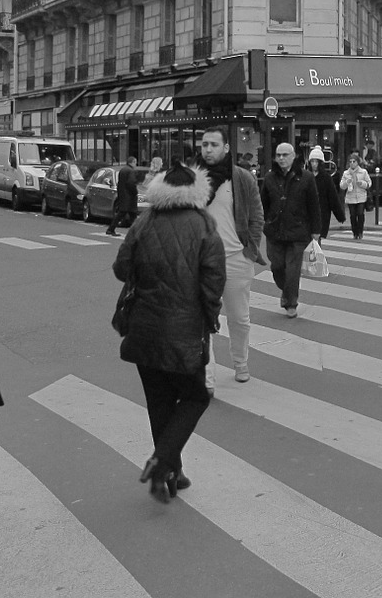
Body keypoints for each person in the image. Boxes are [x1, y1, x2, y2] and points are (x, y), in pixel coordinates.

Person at [115, 159, 224, 502]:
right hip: (184, 329)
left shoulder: (145, 221)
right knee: (194, 397)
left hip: (144, 326)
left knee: (159, 401)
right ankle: (163, 463)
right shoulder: (204, 224)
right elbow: (213, 283)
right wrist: (211, 319)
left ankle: (171, 472)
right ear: (197, 192)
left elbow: (121, 268)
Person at [197, 127, 266, 388]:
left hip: (237, 258)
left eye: (214, 144)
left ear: (226, 148)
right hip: (203, 262)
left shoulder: (241, 178)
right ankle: (207, 378)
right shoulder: (194, 178)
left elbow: (257, 215)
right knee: (202, 320)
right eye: (204, 144)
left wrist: (251, 250)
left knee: (238, 318)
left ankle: (241, 363)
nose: (208, 149)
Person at [260, 142, 320, 317]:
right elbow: (263, 204)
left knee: (293, 271)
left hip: (298, 232)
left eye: (285, 155)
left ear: (293, 156)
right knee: (277, 267)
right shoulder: (270, 177)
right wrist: (263, 222)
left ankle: (291, 303)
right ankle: (286, 291)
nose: (281, 158)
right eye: (278, 155)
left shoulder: (306, 177)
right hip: (275, 232)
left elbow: (314, 205)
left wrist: (316, 230)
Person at [307, 146, 345, 243]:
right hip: (306, 212)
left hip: (321, 212)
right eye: (312, 161)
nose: (314, 164)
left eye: (316, 162)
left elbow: (333, 197)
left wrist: (339, 215)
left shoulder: (326, 178)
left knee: (316, 239)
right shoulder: (306, 176)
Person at [339, 152, 372, 240]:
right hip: (351, 197)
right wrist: (347, 182)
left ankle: (360, 231)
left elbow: (369, 183)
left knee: (360, 214)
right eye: (350, 162)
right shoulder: (346, 173)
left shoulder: (363, 172)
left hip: (361, 196)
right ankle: (355, 232)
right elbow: (341, 186)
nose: (352, 163)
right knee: (353, 215)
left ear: (357, 162)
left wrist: (362, 184)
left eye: (354, 161)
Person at [106, 155, 139, 235]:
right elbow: (131, 183)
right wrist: (135, 192)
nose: (136, 165)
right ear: (133, 162)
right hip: (129, 196)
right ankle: (111, 229)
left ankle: (136, 232)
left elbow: (120, 183)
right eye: (135, 163)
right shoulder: (130, 171)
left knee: (128, 214)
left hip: (123, 195)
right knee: (128, 213)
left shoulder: (123, 170)